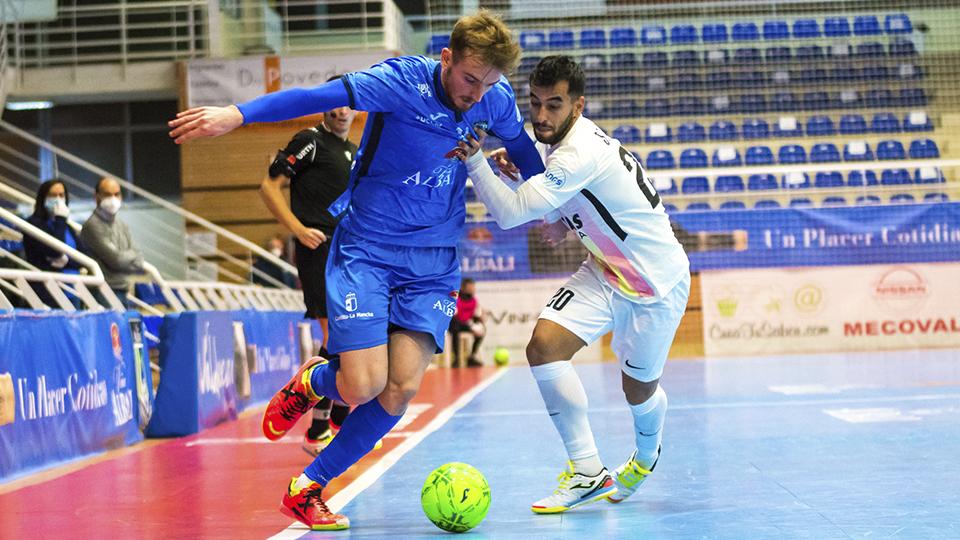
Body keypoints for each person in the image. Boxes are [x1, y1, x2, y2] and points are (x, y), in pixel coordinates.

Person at [169, 10, 543, 531]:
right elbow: (315, 98)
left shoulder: (494, 101)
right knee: (363, 384)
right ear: (447, 59)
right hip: (367, 248)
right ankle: (315, 381)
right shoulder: (399, 81)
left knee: (401, 389)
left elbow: (529, 156)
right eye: (469, 79)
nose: (477, 94)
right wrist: (238, 113)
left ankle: (308, 487)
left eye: (490, 84)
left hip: (433, 261)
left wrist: (537, 190)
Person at [456, 55, 690, 514]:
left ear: (578, 106)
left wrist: (475, 160)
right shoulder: (563, 142)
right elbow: (577, 190)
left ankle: (645, 458)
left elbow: (509, 214)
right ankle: (586, 470)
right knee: (543, 346)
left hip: (655, 286)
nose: (541, 117)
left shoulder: (579, 152)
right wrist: (562, 216)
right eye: (536, 104)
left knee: (636, 391)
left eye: (554, 106)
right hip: (605, 269)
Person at [257, 82, 360, 457]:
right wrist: (297, 230)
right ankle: (320, 426)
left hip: (349, 252)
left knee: (354, 334)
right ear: (325, 109)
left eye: (347, 105)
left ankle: (337, 420)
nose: (341, 112)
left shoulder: (352, 150)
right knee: (337, 335)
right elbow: (269, 187)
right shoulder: (310, 140)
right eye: (334, 105)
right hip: (318, 251)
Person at [80, 177, 144, 308]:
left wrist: (124, 258)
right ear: (97, 196)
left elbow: (139, 262)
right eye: (108, 194)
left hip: (123, 289)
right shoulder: (92, 226)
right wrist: (129, 255)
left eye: (117, 194)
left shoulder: (122, 225)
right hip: (102, 291)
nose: (113, 199)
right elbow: (116, 260)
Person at [22, 179, 87, 306]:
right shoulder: (34, 224)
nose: (58, 199)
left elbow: (84, 256)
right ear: (43, 198)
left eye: (61, 195)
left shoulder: (67, 227)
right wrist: (60, 219)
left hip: (73, 290)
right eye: (53, 195)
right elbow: (56, 250)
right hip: (48, 292)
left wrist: (67, 260)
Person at [448, 277, 485, 366]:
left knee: (481, 330)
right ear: (464, 288)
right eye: (470, 287)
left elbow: (476, 316)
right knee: (455, 328)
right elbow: (453, 315)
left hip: (467, 325)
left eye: (473, 287)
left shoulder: (474, 300)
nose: (473, 289)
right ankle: (456, 358)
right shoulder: (456, 298)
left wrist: (479, 320)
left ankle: (472, 357)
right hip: (455, 324)